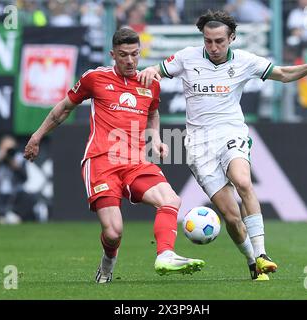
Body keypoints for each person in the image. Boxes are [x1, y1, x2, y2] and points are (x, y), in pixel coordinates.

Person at [137, 10, 307, 281]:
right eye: (208, 41)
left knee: (242, 180)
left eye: (219, 41)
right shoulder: (186, 57)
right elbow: (155, 71)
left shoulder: (245, 61)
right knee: (231, 217)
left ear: (232, 38)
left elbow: (283, 74)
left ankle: (263, 254)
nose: (214, 47)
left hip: (230, 132)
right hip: (198, 145)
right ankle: (253, 262)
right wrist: (149, 70)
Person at [23, 27, 205, 284]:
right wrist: (37, 136)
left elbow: (152, 113)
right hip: (101, 161)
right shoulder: (94, 78)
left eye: (134, 54)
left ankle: (165, 254)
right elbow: (63, 109)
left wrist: (156, 138)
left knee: (171, 200)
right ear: (113, 54)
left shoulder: (150, 82)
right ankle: (106, 268)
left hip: (135, 161)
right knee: (113, 232)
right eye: (123, 55)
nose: (130, 61)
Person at [0, 135, 48, 224]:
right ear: (0, 147)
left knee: (30, 197)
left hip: (14, 194)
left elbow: (24, 178)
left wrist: (16, 166)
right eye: (6, 148)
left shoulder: (19, 159)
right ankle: (2, 215)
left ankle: (11, 216)